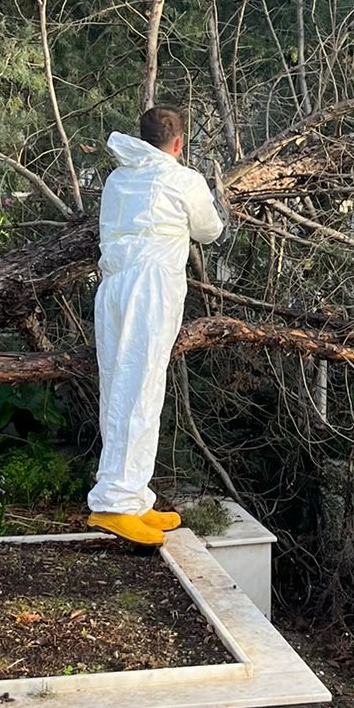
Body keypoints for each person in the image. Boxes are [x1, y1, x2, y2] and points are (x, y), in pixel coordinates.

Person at [86, 107, 223, 547]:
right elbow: (209, 230)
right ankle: (115, 504)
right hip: (151, 287)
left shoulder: (117, 179)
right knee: (141, 390)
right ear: (178, 143)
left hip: (112, 287)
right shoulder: (183, 180)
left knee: (119, 387)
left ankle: (132, 495)